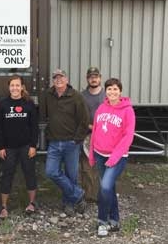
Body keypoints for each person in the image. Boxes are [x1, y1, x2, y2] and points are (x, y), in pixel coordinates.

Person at [88, 78, 135, 237]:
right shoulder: (101, 108)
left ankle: (102, 221)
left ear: (120, 91)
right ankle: (115, 220)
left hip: (117, 157)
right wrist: (92, 154)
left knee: (105, 187)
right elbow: (95, 132)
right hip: (100, 155)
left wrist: (114, 158)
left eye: (115, 89)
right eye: (109, 89)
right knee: (110, 188)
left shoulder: (127, 110)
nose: (112, 92)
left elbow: (128, 137)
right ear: (105, 91)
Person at [45, 69, 89, 216]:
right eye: (56, 78)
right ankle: (78, 194)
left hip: (71, 143)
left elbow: (84, 120)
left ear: (67, 79)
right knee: (51, 172)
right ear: (53, 81)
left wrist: (77, 139)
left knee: (71, 175)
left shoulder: (76, 96)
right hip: (54, 142)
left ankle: (69, 204)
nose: (58, 80)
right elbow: (43, 116)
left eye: (61, 77)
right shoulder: (48, 95)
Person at [0, 74, 38, 219]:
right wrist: (0, 147)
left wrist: (33, 145)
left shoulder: (29, 103)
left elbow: (34, 127)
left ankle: (32, 203)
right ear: (9, 87)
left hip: (26, 146)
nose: (15, 88)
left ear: (22, 87)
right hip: (8, 148)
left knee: (29, 173)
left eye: (17, 85)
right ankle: (4, 207)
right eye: (12, 85)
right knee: (7, 175)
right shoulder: (3, 104)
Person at [80, 67, 106, 201]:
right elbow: (77, 116)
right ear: (87, 78)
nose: (93, 79)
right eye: (91, 76)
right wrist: (90, 126)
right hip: (87, 136)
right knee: (86, 167)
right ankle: (88, 195)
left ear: (100, 78)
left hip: (105, 136)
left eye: (96, 76)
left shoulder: (107, 95)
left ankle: (102, 195)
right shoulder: (82, 95)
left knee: (103, 166)